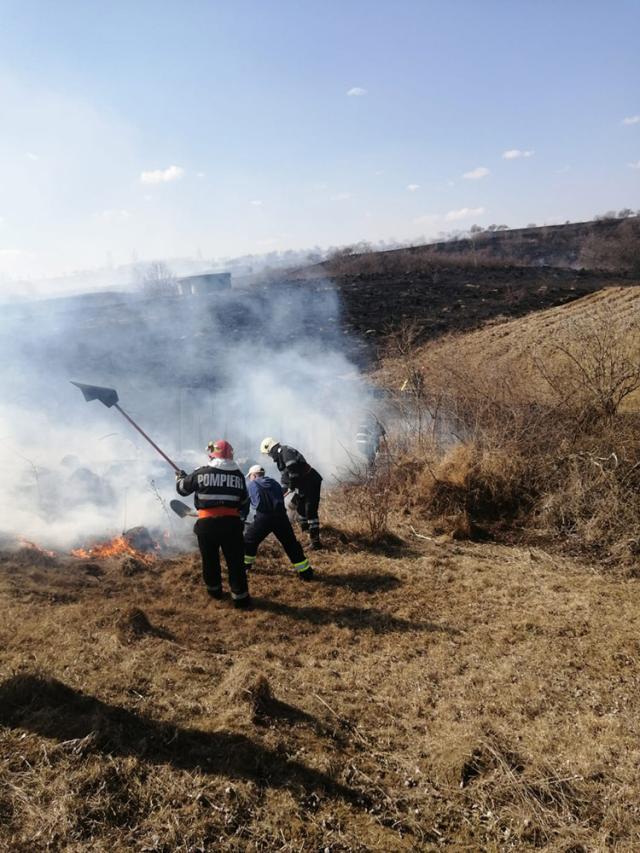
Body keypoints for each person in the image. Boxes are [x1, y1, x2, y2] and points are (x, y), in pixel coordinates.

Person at [175, 439, 251, 608]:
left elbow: (182, 489)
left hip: (207, 525)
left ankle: (214, 591)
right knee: (235, 561)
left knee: (210, 559)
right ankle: (240, 597)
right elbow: (244, 501)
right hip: (232, 524)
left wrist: (181, 477)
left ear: (212, 455)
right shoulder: (238, 475)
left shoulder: (201, 472)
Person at [243, 464, 314, 579]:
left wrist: (242, 517)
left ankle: (245, 566)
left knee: (249, 540)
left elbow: (252, 502)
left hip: (264, 518)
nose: (249, 479)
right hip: (281, 517)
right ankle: (306, 572)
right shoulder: (275, 483)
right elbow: (281, 496)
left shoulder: (252, 484)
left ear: (254, 475)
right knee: (291, 544)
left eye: (250, 476)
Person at [260, 437, 323, 548]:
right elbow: (285, 480)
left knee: (310, 510)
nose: (269, 456)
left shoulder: (285, 451)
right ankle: (306, 533)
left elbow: (293, 471)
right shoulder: (280, 459)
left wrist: (292, 487)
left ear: (271, 449)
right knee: (299, 508)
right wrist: (279, 495)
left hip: (311, 481)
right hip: (302, 485)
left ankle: (316, 542)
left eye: (268, 454)